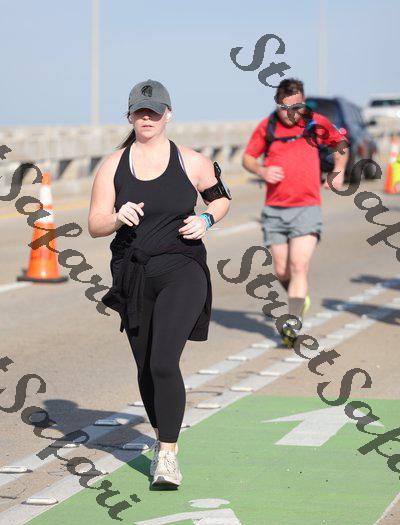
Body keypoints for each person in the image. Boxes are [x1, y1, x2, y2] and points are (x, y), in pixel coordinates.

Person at [88, 79, 231, 487]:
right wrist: (117, 217)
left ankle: (167, 455)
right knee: (146, 369)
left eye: (154, 111)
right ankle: (160, 435)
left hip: (182, 270)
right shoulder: (114, 165)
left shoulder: (191, 161)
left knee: (164, 361)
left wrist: (206, 219)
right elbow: (95, 224)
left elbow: (220, 198)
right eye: (140, 111)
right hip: (133, 274)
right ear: (129, 116)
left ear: (168, 114)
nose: (146, 118)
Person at [242, 78, 349, 346]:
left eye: (297, 107)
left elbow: (340, 145)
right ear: (277, 105)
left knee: (298, 265)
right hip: (275, 210)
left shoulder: (315, 123)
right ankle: (299, 299)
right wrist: (262, 170)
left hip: (307, 207)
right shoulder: (267, 126)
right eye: (285, 107)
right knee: (281, 270)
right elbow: (248, 158)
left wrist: (338, 171)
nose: (291, 113)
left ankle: (292, 322)